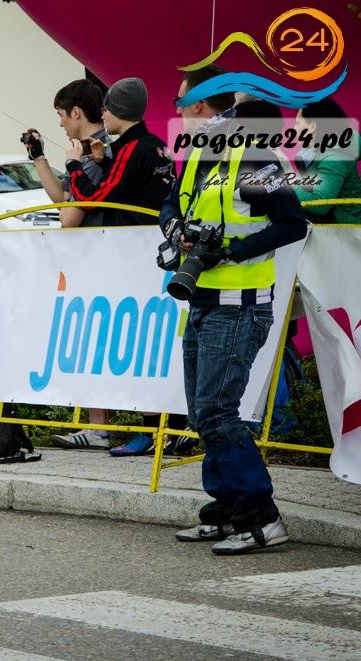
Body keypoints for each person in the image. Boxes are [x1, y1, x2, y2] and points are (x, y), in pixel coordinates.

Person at [161, 65, 308, 554]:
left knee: (219, 412)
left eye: (183, 102)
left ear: (208, 105)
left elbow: (292, 222)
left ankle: (262, 517)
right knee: (204, 414)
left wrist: (231, 251)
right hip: (201, 298)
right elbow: (171, 205)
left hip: (241, 304)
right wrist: (174, 230)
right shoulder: (200, 155)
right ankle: (226, 510)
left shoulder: (254, 153)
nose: (180, 111)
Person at [49, 77, 179, 453]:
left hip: (134, 257)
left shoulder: (134, 147)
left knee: (143, 344)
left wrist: (75, 166)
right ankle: (163, 431)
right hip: (151, 253)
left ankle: (155, 432)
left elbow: (98, 197)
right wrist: (103, 161)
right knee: (153, 345)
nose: (102, 114)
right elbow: (130, 187)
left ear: (119, 111)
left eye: (106, 108)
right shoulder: (153, 145)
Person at [21, 79, 112, 228]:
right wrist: (38, 157)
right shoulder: (85, 151)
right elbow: (62, 197)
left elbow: (68, 220)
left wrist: (66, 203)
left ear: (75, 112)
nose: (60, 123)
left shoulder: (97, 156)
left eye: (61, 115)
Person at [291, 98, 361, 224]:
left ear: (312, 126)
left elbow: (319, 205)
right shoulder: (312, 153)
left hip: (347, 229)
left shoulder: (334, 159)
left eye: (297, 123)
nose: (293, 128)